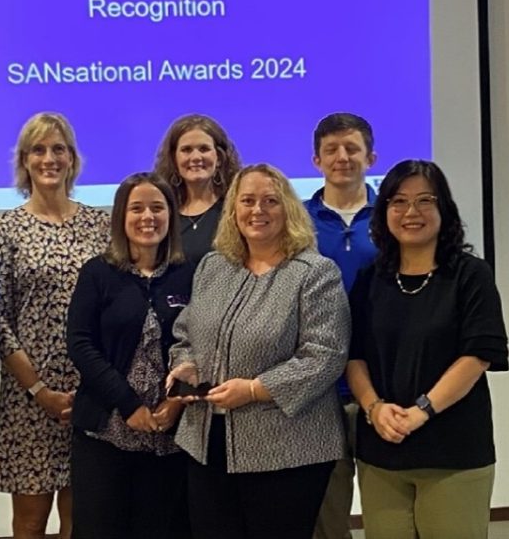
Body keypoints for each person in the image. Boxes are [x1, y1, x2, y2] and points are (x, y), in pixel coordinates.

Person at [168, 163, 350, 539]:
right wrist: (184, 365)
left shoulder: (314, 273)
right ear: (233, 210)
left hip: (287, 450)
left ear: (289, 210)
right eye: (247, 201)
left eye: (270, 201)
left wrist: (253, 389)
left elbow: (325, 355)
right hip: (207, 442)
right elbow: (185, 332)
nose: (258, 211)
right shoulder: (214, 266)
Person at [346, 159, 509, 539]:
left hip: (452, 450)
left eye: (424, 201)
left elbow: (477, 355)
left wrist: (423, 410)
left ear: (444, 209)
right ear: (384, 210)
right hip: (381, 450)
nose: (411, 212)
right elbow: (354, 356)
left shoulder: (471, 275)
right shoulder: (371, 279)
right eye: (398, 201)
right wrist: (374, 407)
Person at [0, 112, 110, 539]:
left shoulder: (101, 225)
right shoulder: (6, 230)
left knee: (84, 518)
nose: (49, 158)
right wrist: (39, 390)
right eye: (38, 150)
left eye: (59, 149)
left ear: (72, 159)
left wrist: (99, 382)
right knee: (30, 521)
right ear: (24, 160)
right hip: (30, 397)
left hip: (90, 391)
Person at [66, 172, 195, 539]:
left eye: (158, 208)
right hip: (106, 432)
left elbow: (202, 345)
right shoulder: (98, 272)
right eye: (136, 208)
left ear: (171, 216)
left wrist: (177, 402)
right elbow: (80, 343)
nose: (147, 217)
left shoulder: (190, 274)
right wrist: (128, 405)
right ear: (122, 217)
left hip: (170, 434)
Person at [303, 113, 379, 539]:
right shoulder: (297, 221)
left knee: (386, 505)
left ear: (370, 156)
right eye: (331, 149)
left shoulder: (392, 218)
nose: (342, 157)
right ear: (316, 160)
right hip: (319, 389)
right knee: (327, 515)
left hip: (381, 384)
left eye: (352, 148)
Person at [153, 113, 242, 263]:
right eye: (186, 150)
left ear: (219, 158)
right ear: (174, 159)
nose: (195, 157)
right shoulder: (163, 214)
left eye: (204, 149)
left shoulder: (236, 211)